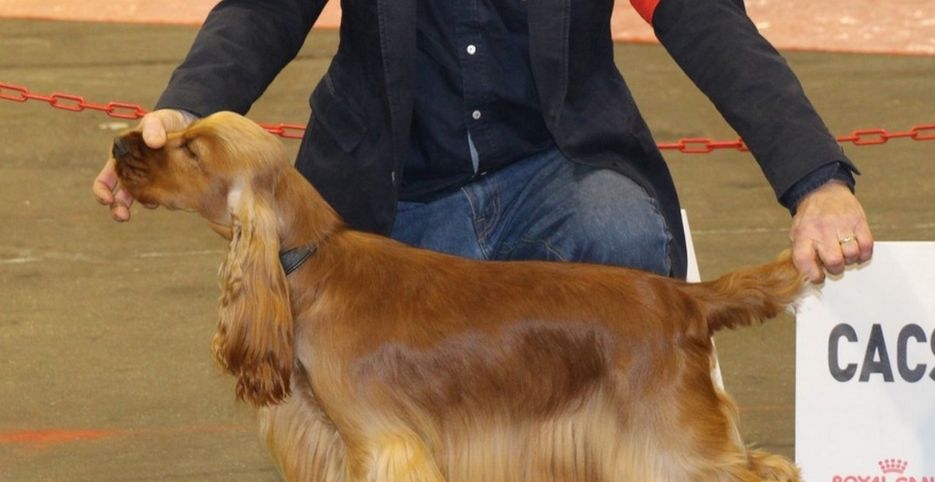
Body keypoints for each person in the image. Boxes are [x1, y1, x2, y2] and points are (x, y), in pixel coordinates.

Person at [93, 0, 872, 283]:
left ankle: (603, 449)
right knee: (318, 315)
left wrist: (816, 181)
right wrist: (180, 115)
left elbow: (708, 22)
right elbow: (261, 13)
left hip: (550, 180)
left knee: (622, 232)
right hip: (393, 202)